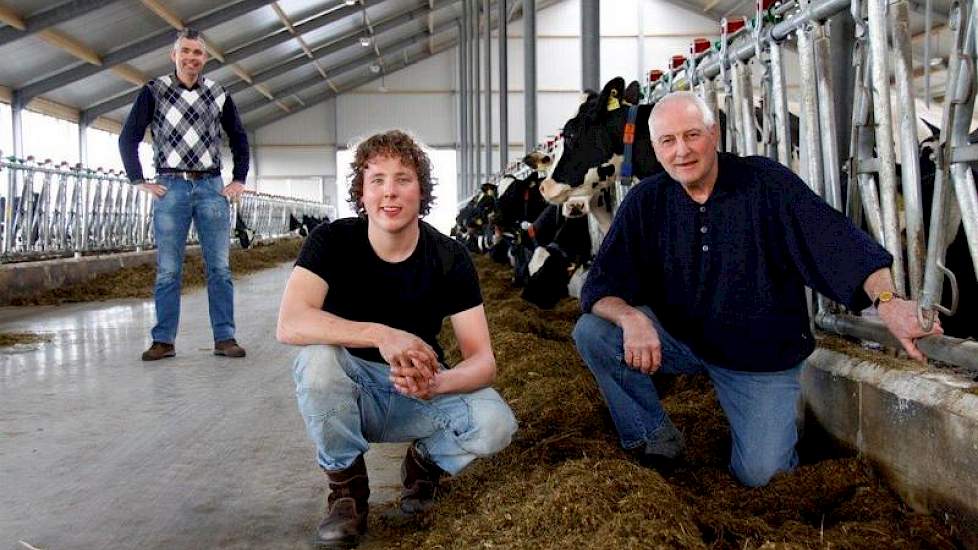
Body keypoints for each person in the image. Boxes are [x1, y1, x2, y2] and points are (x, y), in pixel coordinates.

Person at [572, 91, 941, 487]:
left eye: (692, 135)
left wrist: (888, 302)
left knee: (764, 479)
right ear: (656, 149)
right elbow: (600, 288)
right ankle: (652, 437)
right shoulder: (647, 201)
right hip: (680, 339)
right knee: (594, 332)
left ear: (714, 134)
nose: (682, 151)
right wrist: (631, 318)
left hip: (758, 358)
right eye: (668, 141)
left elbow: (836, 242)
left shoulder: (766, 183)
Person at [277, 130, 517, 547]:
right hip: (349, 393)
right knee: (316, 359)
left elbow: (483, 361)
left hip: (417, 390)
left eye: (403, 179)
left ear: (421, 189)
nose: (390, 192)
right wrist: (380, 334)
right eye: (377, 180)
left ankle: (424, 465)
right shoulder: (332, 242)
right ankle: (347, 493)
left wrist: (438, 383)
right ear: (362, 191)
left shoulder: (449, 256)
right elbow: (290, 323)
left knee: (497, 423)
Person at [119, 28, 249, 361]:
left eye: (198, 53)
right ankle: (163, 340)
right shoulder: (155, 90)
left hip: (210, 187)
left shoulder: (219, 93)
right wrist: (138, 180)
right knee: (168, 269)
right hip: (171, 187)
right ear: (173, 55)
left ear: (205, 58)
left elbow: (239, 137)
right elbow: (128, 137)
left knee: (219, 267)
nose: (192, 58)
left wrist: (238, 180)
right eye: (186, 51)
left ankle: (225, 337)